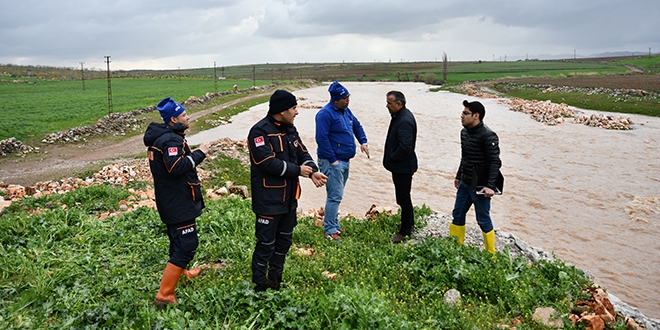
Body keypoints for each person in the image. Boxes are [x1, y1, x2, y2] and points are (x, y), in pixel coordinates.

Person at [248, 90, 327, 292]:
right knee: (266, 245)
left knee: (283, 244)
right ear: (282, 111)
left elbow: (302, 152)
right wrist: (298, 171)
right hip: (268, 201)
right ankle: (259, 288)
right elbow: (266, 163)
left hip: (289, 200)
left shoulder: (290, 129)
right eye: (294, 108)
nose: (297, 112)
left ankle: (275, 284)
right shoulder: (259, 132)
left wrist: (312, 172)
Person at [143, 97, 211, 306]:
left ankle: (181, 274)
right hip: (179, 202)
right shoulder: (171, 140)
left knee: (177, 240)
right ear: (173, 119)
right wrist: (201, 153)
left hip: (170, 200)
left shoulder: (164, 137)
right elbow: (176, 167)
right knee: (187, 244)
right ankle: (165, 295)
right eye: (183, 114)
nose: (188, 117)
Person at [315, 81, 369, 241]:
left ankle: (334, 224)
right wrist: (333, 160)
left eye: (348, 96)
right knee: (334, 196)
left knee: (337, 194)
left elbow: (357, 126)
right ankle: (330, 230)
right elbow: (321, 138)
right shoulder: (325, 114)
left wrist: (363, 141)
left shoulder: (346, 111)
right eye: (344, 98)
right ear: (335, 100)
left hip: (344, 160)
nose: (348, 100)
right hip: (332, 162)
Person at [450, 100, 502, 253]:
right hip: (465, 182)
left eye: (465, 113)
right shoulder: (464, 132)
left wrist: (490, 186)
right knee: (457, 214)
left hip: (479, 184)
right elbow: (464, 157)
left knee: (483, 219)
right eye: (462, 113)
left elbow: (495, 162)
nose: (461, 116)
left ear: (476, 116)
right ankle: (456, 248)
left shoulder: (488, 135)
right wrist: (458, 176)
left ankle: (490, 254)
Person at [383, 91, 418, 244]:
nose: (387, 106)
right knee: (403, 197)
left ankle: (405, 231)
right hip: (401, 166)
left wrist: (392, 158)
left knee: (403, 198)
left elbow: (406, 147)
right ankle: (409, 223)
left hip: (403, 167)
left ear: (399, 104)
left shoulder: (404, 120)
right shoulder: (400, 116)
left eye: (390, 103)